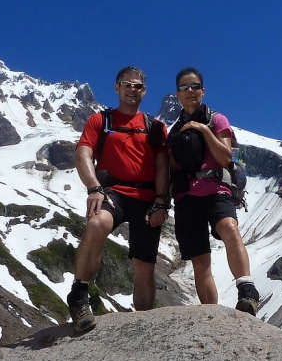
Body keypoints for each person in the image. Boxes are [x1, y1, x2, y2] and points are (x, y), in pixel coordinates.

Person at [67, 66, 170, 332]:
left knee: (144, 268)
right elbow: (83, 154)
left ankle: (144, 324)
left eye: (137, 86)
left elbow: (163, 167)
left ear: (144, 91)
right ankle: (79, 296)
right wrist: (93, 187)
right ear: (116, 88)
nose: (132, 90)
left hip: (147, 198)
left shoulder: (156, 127)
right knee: (96, 223)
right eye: (127, 84)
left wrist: (162, 202)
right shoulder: (100, 121)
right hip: (113, 192)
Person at [167, 67, 260, 315]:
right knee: (199, 259)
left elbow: (225, 156)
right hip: (186, 197)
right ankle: (212, 313)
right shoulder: (174, 132)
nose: (190, 91)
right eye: (185, 87)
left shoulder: (217, 120)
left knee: (229, 227)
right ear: (177, 94)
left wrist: (204, 131)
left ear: (203, 90)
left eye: (195, 86)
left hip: (217, 189)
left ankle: (247, 291)